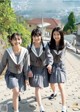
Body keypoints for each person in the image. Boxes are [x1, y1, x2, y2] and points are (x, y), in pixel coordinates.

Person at [48, 27, 76, 112]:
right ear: (52, 35)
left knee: (61, 85)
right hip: (52, 66)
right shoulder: (49, 44)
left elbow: (73, 49)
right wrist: (49, 64)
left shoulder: (65, 43)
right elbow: (47, 54)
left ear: (61, 35)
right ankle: (54, 92)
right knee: (52, 84)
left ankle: (64, 107)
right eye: (54, 34)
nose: (56, 36)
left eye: (58, 34)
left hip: (61, 67)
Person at [0, 33, 29, 112]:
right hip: (11, 75)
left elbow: (26, 66)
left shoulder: (25, 52)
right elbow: (2, 64)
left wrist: (26, 78)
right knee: (16, 90)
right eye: (15, 39)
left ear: (21, 40)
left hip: (20, 75)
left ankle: (16, 96)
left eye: (19, 39)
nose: (17, 41)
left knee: (17, 91)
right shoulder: (8, 52)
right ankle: (16, 110)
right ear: (11, 41)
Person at [27, 28, 53, 112]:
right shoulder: (30, 47)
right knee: (38, 87)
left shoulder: (45, 46)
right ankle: (41, 107)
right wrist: (28, 70)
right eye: (35, 36)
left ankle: (38, 97)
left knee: (40, 87)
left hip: (43, 70)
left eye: (38, 36)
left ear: (41, 36)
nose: (37, 38)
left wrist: (49, 64)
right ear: (32, 37)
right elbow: (26, 60)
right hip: (34, 69)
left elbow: (49, 56)